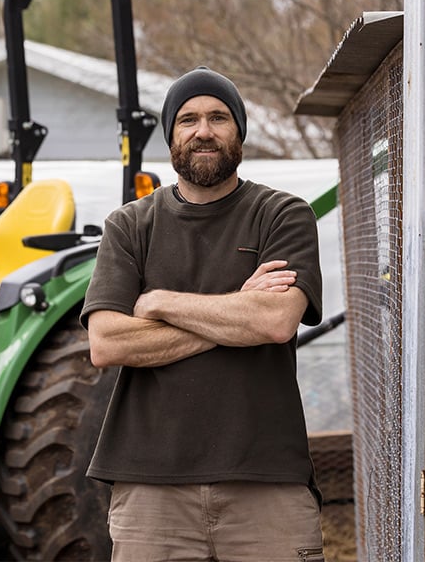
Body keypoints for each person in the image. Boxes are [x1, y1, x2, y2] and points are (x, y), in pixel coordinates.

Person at [80, 66, 325, 561]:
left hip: (266, 480)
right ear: (171, 135)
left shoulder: (283, 214)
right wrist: (239, 312)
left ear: (239, 131)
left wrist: (160, 304)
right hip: (150, 486)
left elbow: (275, 322)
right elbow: (108, 343)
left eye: (218, 117)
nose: (204, 131)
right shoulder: (129, 226)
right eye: (188, 120)